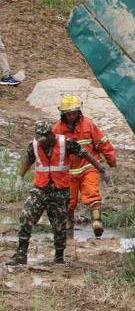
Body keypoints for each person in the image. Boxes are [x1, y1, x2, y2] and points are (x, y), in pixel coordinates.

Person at [7, 122, 108, 266]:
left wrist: (101, 169)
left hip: (60, 191)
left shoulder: (65, 143)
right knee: (26, 215)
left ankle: (59, 258)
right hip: (40, 189)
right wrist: (19, 178)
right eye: (38, 139)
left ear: (50, 135)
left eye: (43, 140)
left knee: (59, 226)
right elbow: (28, 159)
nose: (41, 143)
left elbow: (85, 153)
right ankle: (21, 254)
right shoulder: (35, 144)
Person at [52, 95, 117, 237]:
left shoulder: (88, 125)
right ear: (63, 114)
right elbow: (52, 153)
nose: (71, 116)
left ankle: (97, 221)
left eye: (74, 113)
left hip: (88, 167)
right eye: (68, 113)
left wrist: (111, 160)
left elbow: (102, 142)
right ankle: (68, 227)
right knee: (69, 200)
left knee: (92, 193)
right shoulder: (57, 129)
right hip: (68, 172)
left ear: (78, 112)